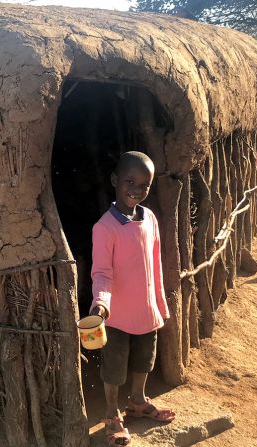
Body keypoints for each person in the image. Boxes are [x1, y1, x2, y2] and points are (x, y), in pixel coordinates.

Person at [90, 151, 176, 447]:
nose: (137, 190)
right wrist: (101, 303)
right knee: (114, 366)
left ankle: (138, 401)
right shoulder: (105, 228)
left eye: (144, 185)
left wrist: (159, 304)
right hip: (116, 315)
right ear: (115, 180)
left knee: (144, 360)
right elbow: (101, 272)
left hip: (145, 310)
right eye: (130, 181)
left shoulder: (149, 218)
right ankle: (113, 412)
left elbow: (156, 265)